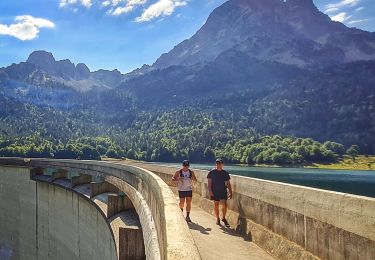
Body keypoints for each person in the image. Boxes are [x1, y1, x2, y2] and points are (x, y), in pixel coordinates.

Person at [207, 158, 233, 227]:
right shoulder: (211, 172)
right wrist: (210, 191)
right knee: (216, 204)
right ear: (216, 164)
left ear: (222, 164)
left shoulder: (225, 173)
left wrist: (230, 192)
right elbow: (209, 183)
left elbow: (228, 183)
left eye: (220, 163)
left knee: (224, 205)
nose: (218, 165)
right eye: (217, 163)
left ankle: (223, 218)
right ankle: (217, 218)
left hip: (223, 191)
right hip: (215, 191)